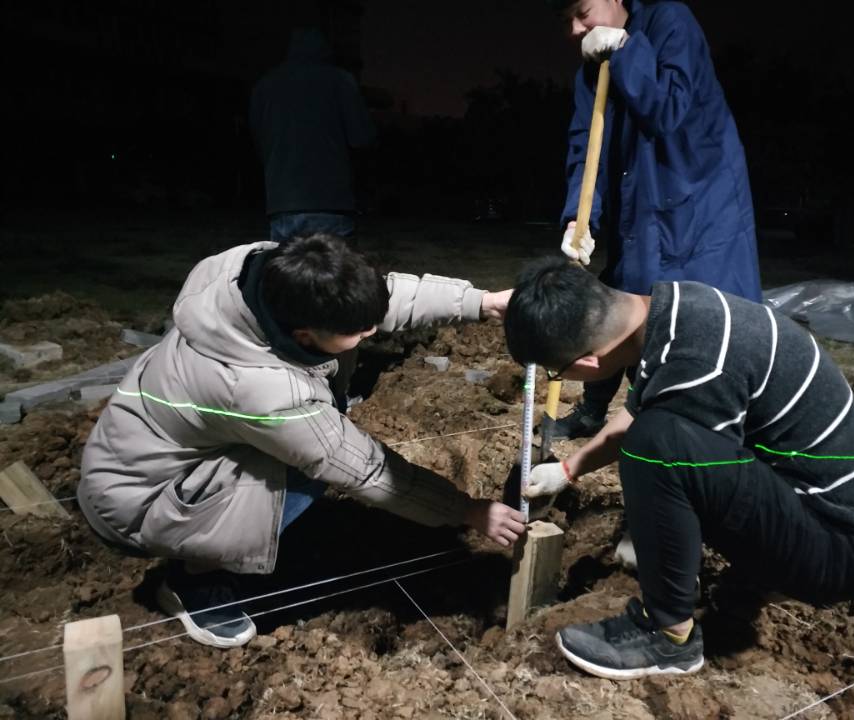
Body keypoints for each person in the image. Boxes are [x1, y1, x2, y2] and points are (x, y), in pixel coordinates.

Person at [78, 234, 525, 648]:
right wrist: (466, 510)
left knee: (308, 443)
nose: (372, 334)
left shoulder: (257, 275)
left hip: (147, 451)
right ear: (305, 337)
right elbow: (362, 468)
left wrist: (482, 302)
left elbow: (381, 296)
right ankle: (194, 581)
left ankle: (229, 534)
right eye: (359, 332)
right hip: (137, 499)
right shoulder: (261, 391)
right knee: (310, 470)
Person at [503, 258, 854, 678]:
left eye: (556, 371)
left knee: (655, 444)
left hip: (839, 550)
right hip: (828, 511)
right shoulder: (673, 312)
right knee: (656, 434)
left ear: (587, 366)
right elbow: (639, 411)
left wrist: (652, 531)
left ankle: (669, 638)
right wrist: (568, 469)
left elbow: (662, 445)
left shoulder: (699, 362)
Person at [548, 0, 762, 440]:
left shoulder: (670, 22)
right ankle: (594, 411)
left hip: (700, 201)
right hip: (639, 203)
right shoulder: (590, 68)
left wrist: (627, 50)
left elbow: (667, 110)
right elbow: (585, 147)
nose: (575, 29)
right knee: (620, 297)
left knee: (690, 319)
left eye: (582, 12)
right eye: (566, 21)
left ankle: (686, 420)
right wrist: (578, 218)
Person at [249, 28, 376, 242]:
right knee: (331, 262)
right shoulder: (340, 80)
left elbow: (259, 142)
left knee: (288, 261)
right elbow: (362, 137)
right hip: (331, 200)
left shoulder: (265, 84)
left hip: (281, 203)